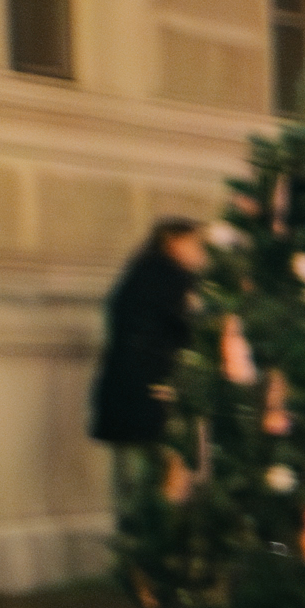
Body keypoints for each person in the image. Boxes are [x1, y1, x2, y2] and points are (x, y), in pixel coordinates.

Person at [91, 216, 204, 569]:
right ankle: (149, 559)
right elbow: (186, 328)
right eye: (194, 244)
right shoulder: (169, 279)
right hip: (151, 395)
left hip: (128, 394)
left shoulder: (140, 274)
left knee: (132, 479)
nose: (200, 253)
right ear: (173, 242)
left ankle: (133, 556)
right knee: (152, 480)